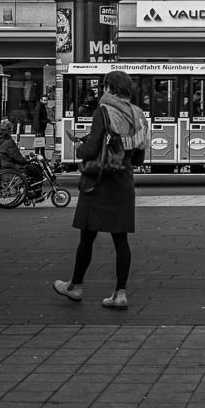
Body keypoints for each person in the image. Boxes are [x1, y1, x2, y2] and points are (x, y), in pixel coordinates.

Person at [53, 69, 147, 309]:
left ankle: (75, 286)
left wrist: (80, 150)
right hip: (123, 182)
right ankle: (121, 293)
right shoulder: (138, 114)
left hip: (99, 182)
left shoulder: (103, 111)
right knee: (121, 239)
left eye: (104, 86)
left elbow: (93, 148)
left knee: (87, 236)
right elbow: (139, 157)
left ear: (109, 88)